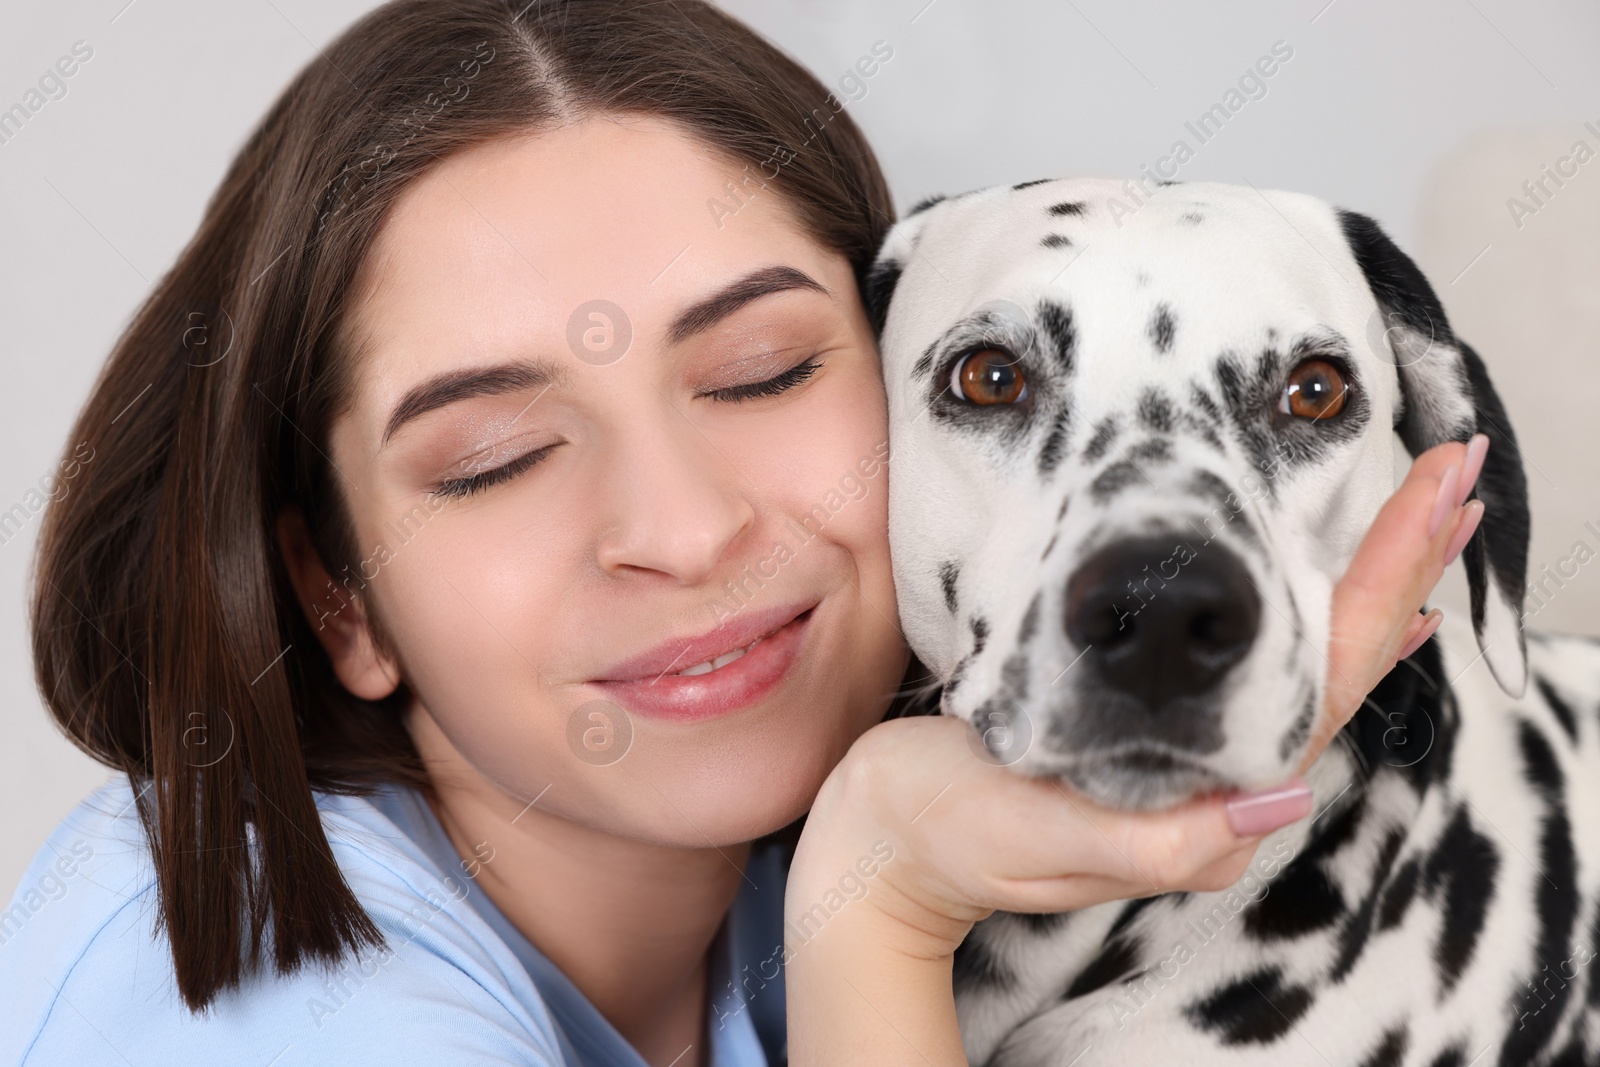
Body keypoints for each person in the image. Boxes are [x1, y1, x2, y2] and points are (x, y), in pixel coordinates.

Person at [1, 1, 1484, 1064]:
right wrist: (881, 906)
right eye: (496, 458)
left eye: (764, 373)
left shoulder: (844, 861)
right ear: (342, 602)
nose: (684, 527)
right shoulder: (237, 989)